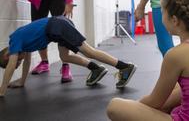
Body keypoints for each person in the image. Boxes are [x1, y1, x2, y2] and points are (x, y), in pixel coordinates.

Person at [0, 16, 137, 97]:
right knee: (64, 57)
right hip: (56, 28)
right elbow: (27, 61)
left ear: (7, 55)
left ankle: (124, 67)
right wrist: (22, 81)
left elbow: (11, 65)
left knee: (88, 51)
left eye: (17, 59)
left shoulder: (14, 41)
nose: (20, 60)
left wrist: (1, 91)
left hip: (56, 26)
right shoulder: (23, 46)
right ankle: (96, 69)